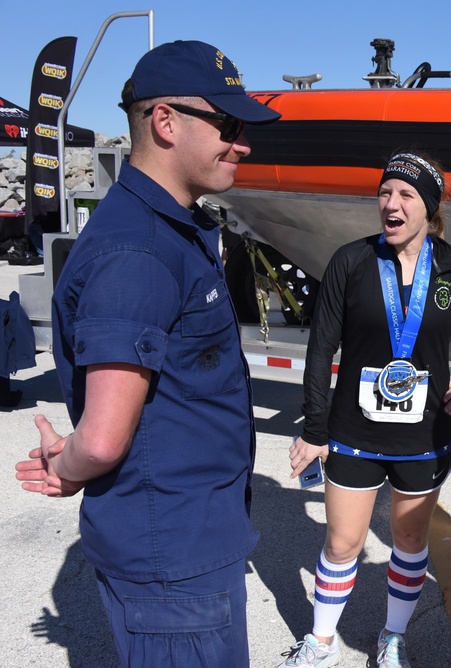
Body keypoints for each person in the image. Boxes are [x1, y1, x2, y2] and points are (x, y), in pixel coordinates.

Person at [14, 40, 280, 667]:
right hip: (175, 568)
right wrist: (70, 465)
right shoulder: (139, 253)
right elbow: (104, 440)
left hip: (186, 549)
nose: (242, 143)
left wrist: (75, 454)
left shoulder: (162, 230)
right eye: (229, 125)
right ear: (165, 122)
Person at [277, 151, 451, 668]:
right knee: (342, 542)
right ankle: (320, 641)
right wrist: (315, 429)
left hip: (422, 437)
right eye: (385, 192)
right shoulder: (351, 261)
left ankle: (392, 636)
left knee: (408, 539)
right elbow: (320, 350)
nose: (391, 203)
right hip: (353, 430)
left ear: (429, 206)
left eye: (406, 194)